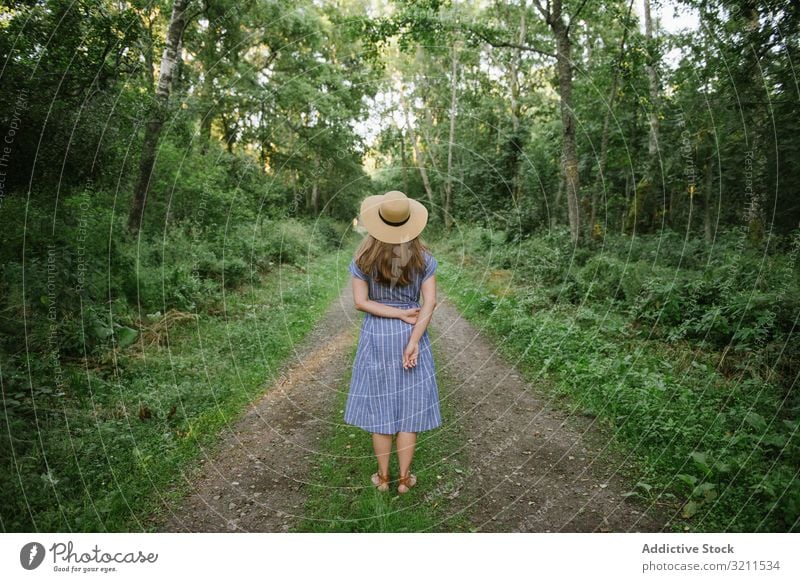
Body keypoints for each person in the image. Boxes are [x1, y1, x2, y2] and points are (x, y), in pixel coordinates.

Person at [345, 190, 441, 494]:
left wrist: (391, 313)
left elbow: (360, 303)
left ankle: (383, 478)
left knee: (380, 409)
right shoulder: (424, 258)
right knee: (409, 411)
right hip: (411, 333)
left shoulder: (363, 257)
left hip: (377, 336)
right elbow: (430, 303)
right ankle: (404, 480)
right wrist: (412, 338)